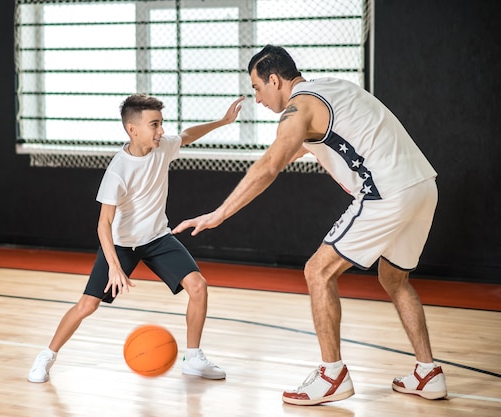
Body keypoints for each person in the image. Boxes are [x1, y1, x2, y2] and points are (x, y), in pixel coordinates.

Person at [172, 45, 447, 405]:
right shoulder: (332, 87)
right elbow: (301, 148)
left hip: (387, 191)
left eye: (256, 87)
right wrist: (277, 154)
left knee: (318, 271)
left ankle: (332, 375)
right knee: (394, 278)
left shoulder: (298, 107)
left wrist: (219, 213)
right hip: (423, 185)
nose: (256, 97)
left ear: (274, 79)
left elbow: (271, 164)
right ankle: (427, 373)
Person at [28, 93, 244, 383]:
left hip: (157, 238)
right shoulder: (118, 171)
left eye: (161, 123)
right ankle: (47, 355)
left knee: (198, 286)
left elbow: (186, 135)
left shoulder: (163, 147)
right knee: (87, 305)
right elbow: (103, 224)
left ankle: (193, 358)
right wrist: (115, 266)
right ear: (133, 129)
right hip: (120, 244)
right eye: (154, 125)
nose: (161, 131)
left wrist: (222, 121)